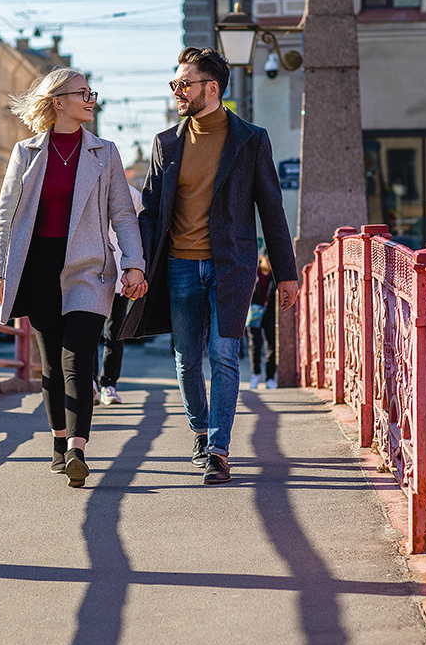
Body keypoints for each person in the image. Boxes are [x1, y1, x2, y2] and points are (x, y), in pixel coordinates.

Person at [120, 47, 298, 485]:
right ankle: (201, 431)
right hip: (179, 266)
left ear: (211, 88)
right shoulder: (166, 144)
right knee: (186, 360)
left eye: (185, 84)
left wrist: (286, 272)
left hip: (231, 266)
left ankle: (218, 448)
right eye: (175, 84)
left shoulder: (250, 140)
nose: (177, 91)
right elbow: (150, 212)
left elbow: (271, 209)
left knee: (223, 354)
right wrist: (137, 264)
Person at [0, 67, 147, 488]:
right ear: (58, 101)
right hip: (38, 265)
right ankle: (59, 441)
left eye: (91, 92)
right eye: (83, 93)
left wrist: (134, 262)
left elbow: (123, 214)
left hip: (89, 266)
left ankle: (78, 447)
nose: (91, 99)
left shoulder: (105, 152)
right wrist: (1, 271)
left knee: (77, 355)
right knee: (51, 365)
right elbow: (6, 216)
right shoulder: (26, 153)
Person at [96, 183, 143, 405]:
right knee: (87, 333)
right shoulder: (89, 188)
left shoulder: (132, 195)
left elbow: (142, 229)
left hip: (119, 277)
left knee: (115, 334)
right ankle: (90, 384)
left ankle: (108, 385)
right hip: (91, 276)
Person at [248, 250, 277, 390]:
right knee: (255, 344)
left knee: (272, 344)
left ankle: (270, 378)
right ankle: (255, 375)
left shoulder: (274, 276)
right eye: (267, 259)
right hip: (254, 312)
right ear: (261, 258)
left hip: (270, 314)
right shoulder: (254, 273)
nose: (270, 263)